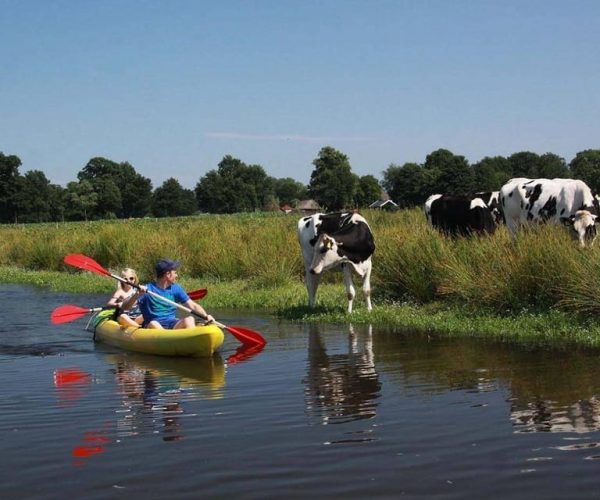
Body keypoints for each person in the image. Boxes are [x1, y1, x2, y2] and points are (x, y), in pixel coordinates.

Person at [123, 258, 214, 329]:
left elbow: (192, 305)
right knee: (154, 324)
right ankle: (170, 344)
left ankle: (192, 343)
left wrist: (206, 316)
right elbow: (125, 307)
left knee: (189, 319)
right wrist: (137, 295)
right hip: (152, 326)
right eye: (175, 273)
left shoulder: (176, 289)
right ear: (168, 274)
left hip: (171, 324)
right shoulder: (147, 289)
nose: (176, 275)